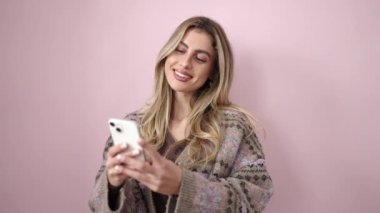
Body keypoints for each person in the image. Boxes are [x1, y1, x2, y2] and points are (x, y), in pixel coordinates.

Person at [89, 16, 274, 213]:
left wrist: (183, 186)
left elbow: (255, 199)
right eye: (180, 50)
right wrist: (112, 185)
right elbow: (96, 203)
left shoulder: (234, 128)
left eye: (200, 58)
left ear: (213, 72)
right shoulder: (132, 126)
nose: (185, 63)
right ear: (167, 54)